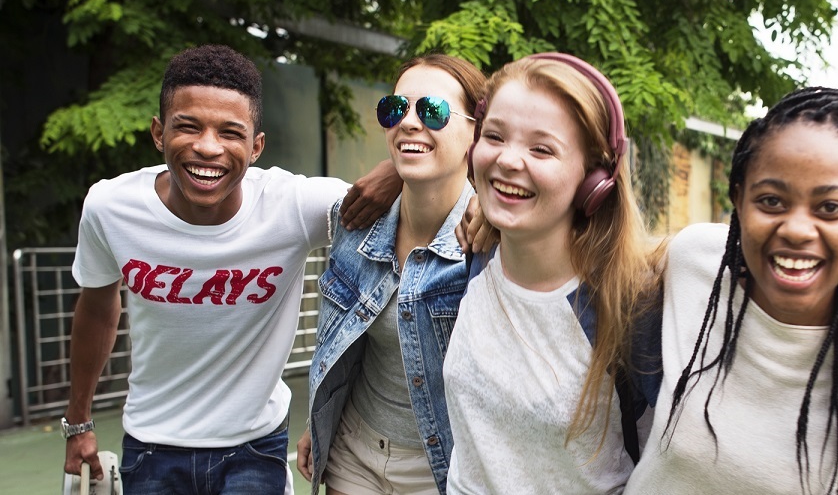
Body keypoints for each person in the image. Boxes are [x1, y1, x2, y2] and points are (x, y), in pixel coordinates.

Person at [63, 44, 400, 493]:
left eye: (230, 132)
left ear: (256, 146)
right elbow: (97, 310)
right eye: (188, 127)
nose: (208, 147)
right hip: (150, 446)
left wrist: (398, 169)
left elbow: (426, 186)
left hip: (255, 448)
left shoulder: (291, 206)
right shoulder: (110, 207)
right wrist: (78, 422)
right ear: (159, 133)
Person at [625, 87, 838, 494]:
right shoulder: (696, 260)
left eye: (830, 208)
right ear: (739, 200)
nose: (796, 230)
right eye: (771, 201)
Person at [441, 52, 657, 494]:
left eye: (541, 149)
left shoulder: (628, 305)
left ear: (594, 179)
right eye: (495, 136)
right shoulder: (478, 252)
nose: (508, 160)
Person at [296, 54, 486, 495]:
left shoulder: (489, 241)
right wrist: (322, 419)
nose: (409, 123)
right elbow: (345, 342)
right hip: (354, 450)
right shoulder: (356, 220)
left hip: (442, 466)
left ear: (477, 132)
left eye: (433, 111)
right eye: (395, 109)